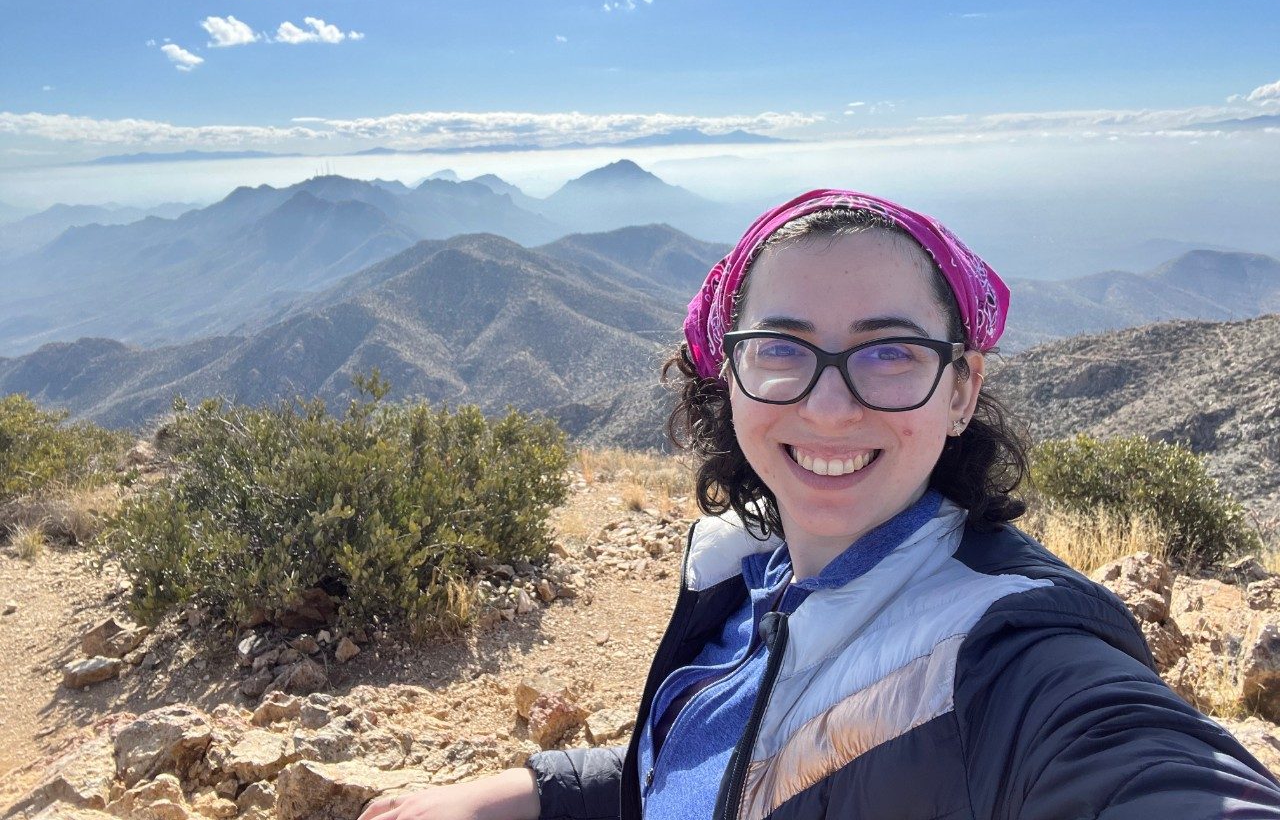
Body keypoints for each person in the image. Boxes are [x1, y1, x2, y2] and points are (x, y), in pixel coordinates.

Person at [359, 189, 1280, 820]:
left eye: (889, 352)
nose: (830, 406)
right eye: (781, 349)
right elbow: (739, 770)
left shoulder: (1015, 653)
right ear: (730, 378)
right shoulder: (742, 577)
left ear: (960, 390)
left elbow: (1136, 764)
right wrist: (539, 791)